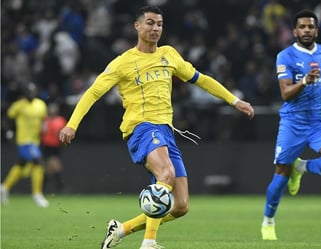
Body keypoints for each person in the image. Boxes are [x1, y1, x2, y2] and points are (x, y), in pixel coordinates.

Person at [58, 6, 255, 249]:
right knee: (167, 175)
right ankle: (148, 243)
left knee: (181, 206)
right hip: (141, 128)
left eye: (159, 24)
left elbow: (201, 79)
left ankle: (120, 229)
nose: (155, 28)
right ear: (137, 26)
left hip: (166, 131)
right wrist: (71, 124)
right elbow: (93, 92)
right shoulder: (123, 62)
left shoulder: (169, 54)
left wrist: (234, 101)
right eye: (150, 23)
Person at [260, 9, 321, 240]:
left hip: (318, 122)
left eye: (311, 27)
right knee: (279, 177)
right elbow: (286, 93)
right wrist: (305, 81)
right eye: (302, 27)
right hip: (293, 123)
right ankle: (268, 221)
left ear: (316, 30)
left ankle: (302, 167)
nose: (307, 30)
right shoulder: (285, 56)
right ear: (294, 31)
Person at [0, 83, 50, 208]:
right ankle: (37, 194)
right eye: (28, 92)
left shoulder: (41, 105)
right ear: (24, 93)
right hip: (24, 140)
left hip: (35, 141)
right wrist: (9, 131)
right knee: (37, 162)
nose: (30, 95)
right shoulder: (19, 105)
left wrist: (44, 129)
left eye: (32, 92)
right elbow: (8, 118)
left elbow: (44, 120)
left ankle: (4, 187)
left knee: (21, 164)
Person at [41, 102, 67, 192]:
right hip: (47, 146)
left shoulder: (60, 120)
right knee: (55, 166)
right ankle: (61, 187)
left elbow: (63, 132)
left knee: (49, 169)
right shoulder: (45, 120)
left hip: (56, 146)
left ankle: (41, 188)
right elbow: (42, 132)